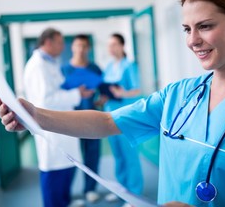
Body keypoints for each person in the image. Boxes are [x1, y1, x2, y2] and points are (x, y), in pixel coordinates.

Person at [0, 0, 225, 207]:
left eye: (205, 26)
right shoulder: (179, 95)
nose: (192, 40)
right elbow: (106, 122)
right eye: (187, 28)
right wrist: (35, 115)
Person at [23, 28, 93, 207]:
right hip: (50, 127)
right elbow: (45, 100)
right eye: (60, 43)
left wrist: (75, 91)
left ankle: (64, 202)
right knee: (54, 171)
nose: (63, 47)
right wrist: (76, 94)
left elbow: (58, 88)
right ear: (48, 43)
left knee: (66, 167)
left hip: (61, 123)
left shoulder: (50, 63)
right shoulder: (37, 65)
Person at [99, 33, 143, 206]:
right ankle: (122, 190)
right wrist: (103, 98)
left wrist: (121, 93)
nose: (111, 48)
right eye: (109, 45)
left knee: (130, 155)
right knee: (118, 155)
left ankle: (135, 195)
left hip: (125, 116)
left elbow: (137, 90)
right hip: (109, 116)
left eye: (114, 44)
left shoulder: (129, 66)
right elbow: (106, 89)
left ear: (122, 46)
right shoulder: (109, 67)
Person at [61, 34, 102, 204]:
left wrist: (102, 98)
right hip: (69, 119)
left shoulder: (95, 69)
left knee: (92, 154)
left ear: (89, 48)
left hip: (92, 118)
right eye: (78, 45)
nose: (81, 49)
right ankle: (66, 192)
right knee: (68, 156)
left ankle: (90, 189)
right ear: (72, 47)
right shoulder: (63, 70)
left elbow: (102, 89)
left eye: (84, 46)